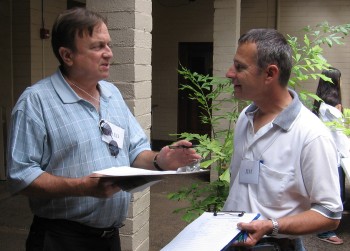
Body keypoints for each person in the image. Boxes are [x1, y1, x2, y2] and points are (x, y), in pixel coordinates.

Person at [7, 7, 200, 251]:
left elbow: (135, 151)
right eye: (98, 47)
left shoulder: (112, 94)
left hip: (109, 239)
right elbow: (21, 176)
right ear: (67, 55)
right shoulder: (36, 101)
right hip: (60, 239)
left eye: (108, 45)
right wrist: (82, 187)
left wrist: (161, 159)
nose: (109, 53)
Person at [223, 29, 343, 251]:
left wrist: (272, 225)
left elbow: (330, 214)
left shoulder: (311, 135)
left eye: (240, 67)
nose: (230, 73)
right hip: (232, 241)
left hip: (275, 246)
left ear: (270, 74)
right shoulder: (245, 118)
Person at [312, 67, 349, 245]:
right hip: (333, 157)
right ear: (334, 83)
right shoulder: (331, 109)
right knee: (334, 194)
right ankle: (325, 232)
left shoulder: (320, 105)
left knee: (328, 192)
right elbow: (339, 137)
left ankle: (324, 229)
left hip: (325, 156)